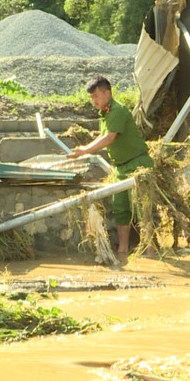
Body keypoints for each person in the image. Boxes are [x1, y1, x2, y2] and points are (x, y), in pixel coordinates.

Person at [68, 76, 154, 257]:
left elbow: (109, 138)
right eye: (91, 97)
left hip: (137, 165)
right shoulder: (105, 115)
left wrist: (84, 150)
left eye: (96, 96)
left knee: (142, 208)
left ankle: (151, 250)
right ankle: (123, 250)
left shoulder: (118, 110)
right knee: (121, 208)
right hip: (120, 168)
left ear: (108, 94)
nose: (94, 101)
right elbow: (104, 137)